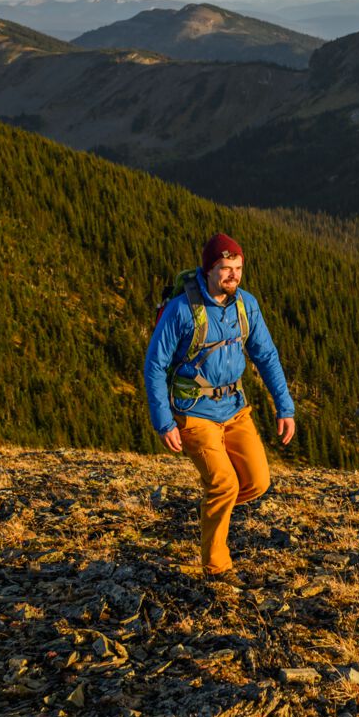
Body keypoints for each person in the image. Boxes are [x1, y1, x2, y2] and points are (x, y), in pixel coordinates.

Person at [143, 232, 297, 580]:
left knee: (257, 482)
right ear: (208, 270)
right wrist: (163, 421)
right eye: (226, 269)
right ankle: (217, 568)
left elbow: (266, 355)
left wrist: (284, 407)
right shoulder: (181, 310)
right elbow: (154, 364)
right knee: (224, 483)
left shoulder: (246, 305)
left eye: (238, 268)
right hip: (194, 412)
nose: (233, 276)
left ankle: (212, 513)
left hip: (235, 408)